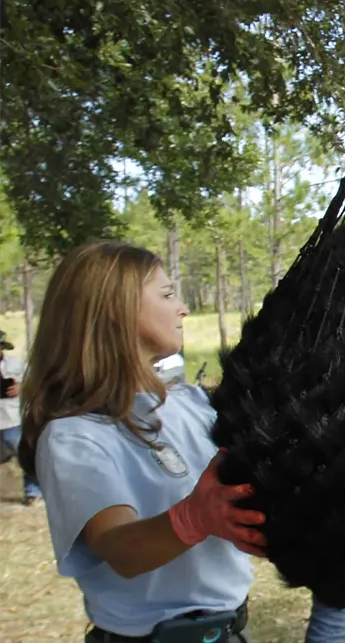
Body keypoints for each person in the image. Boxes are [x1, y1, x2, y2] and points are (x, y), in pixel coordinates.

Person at [17, 241, 267, 642]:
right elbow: (121, 549)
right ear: (114, 311)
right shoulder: (73, 435)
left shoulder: (191, 404)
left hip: (233, 631)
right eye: (167, 295)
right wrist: (193, 519)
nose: (182, 308)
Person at [0, 328, 40, 505]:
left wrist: (22, 387)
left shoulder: (15, 364)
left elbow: (37, 380)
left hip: (11, 419)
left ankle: (32, 492)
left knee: (25, 455)